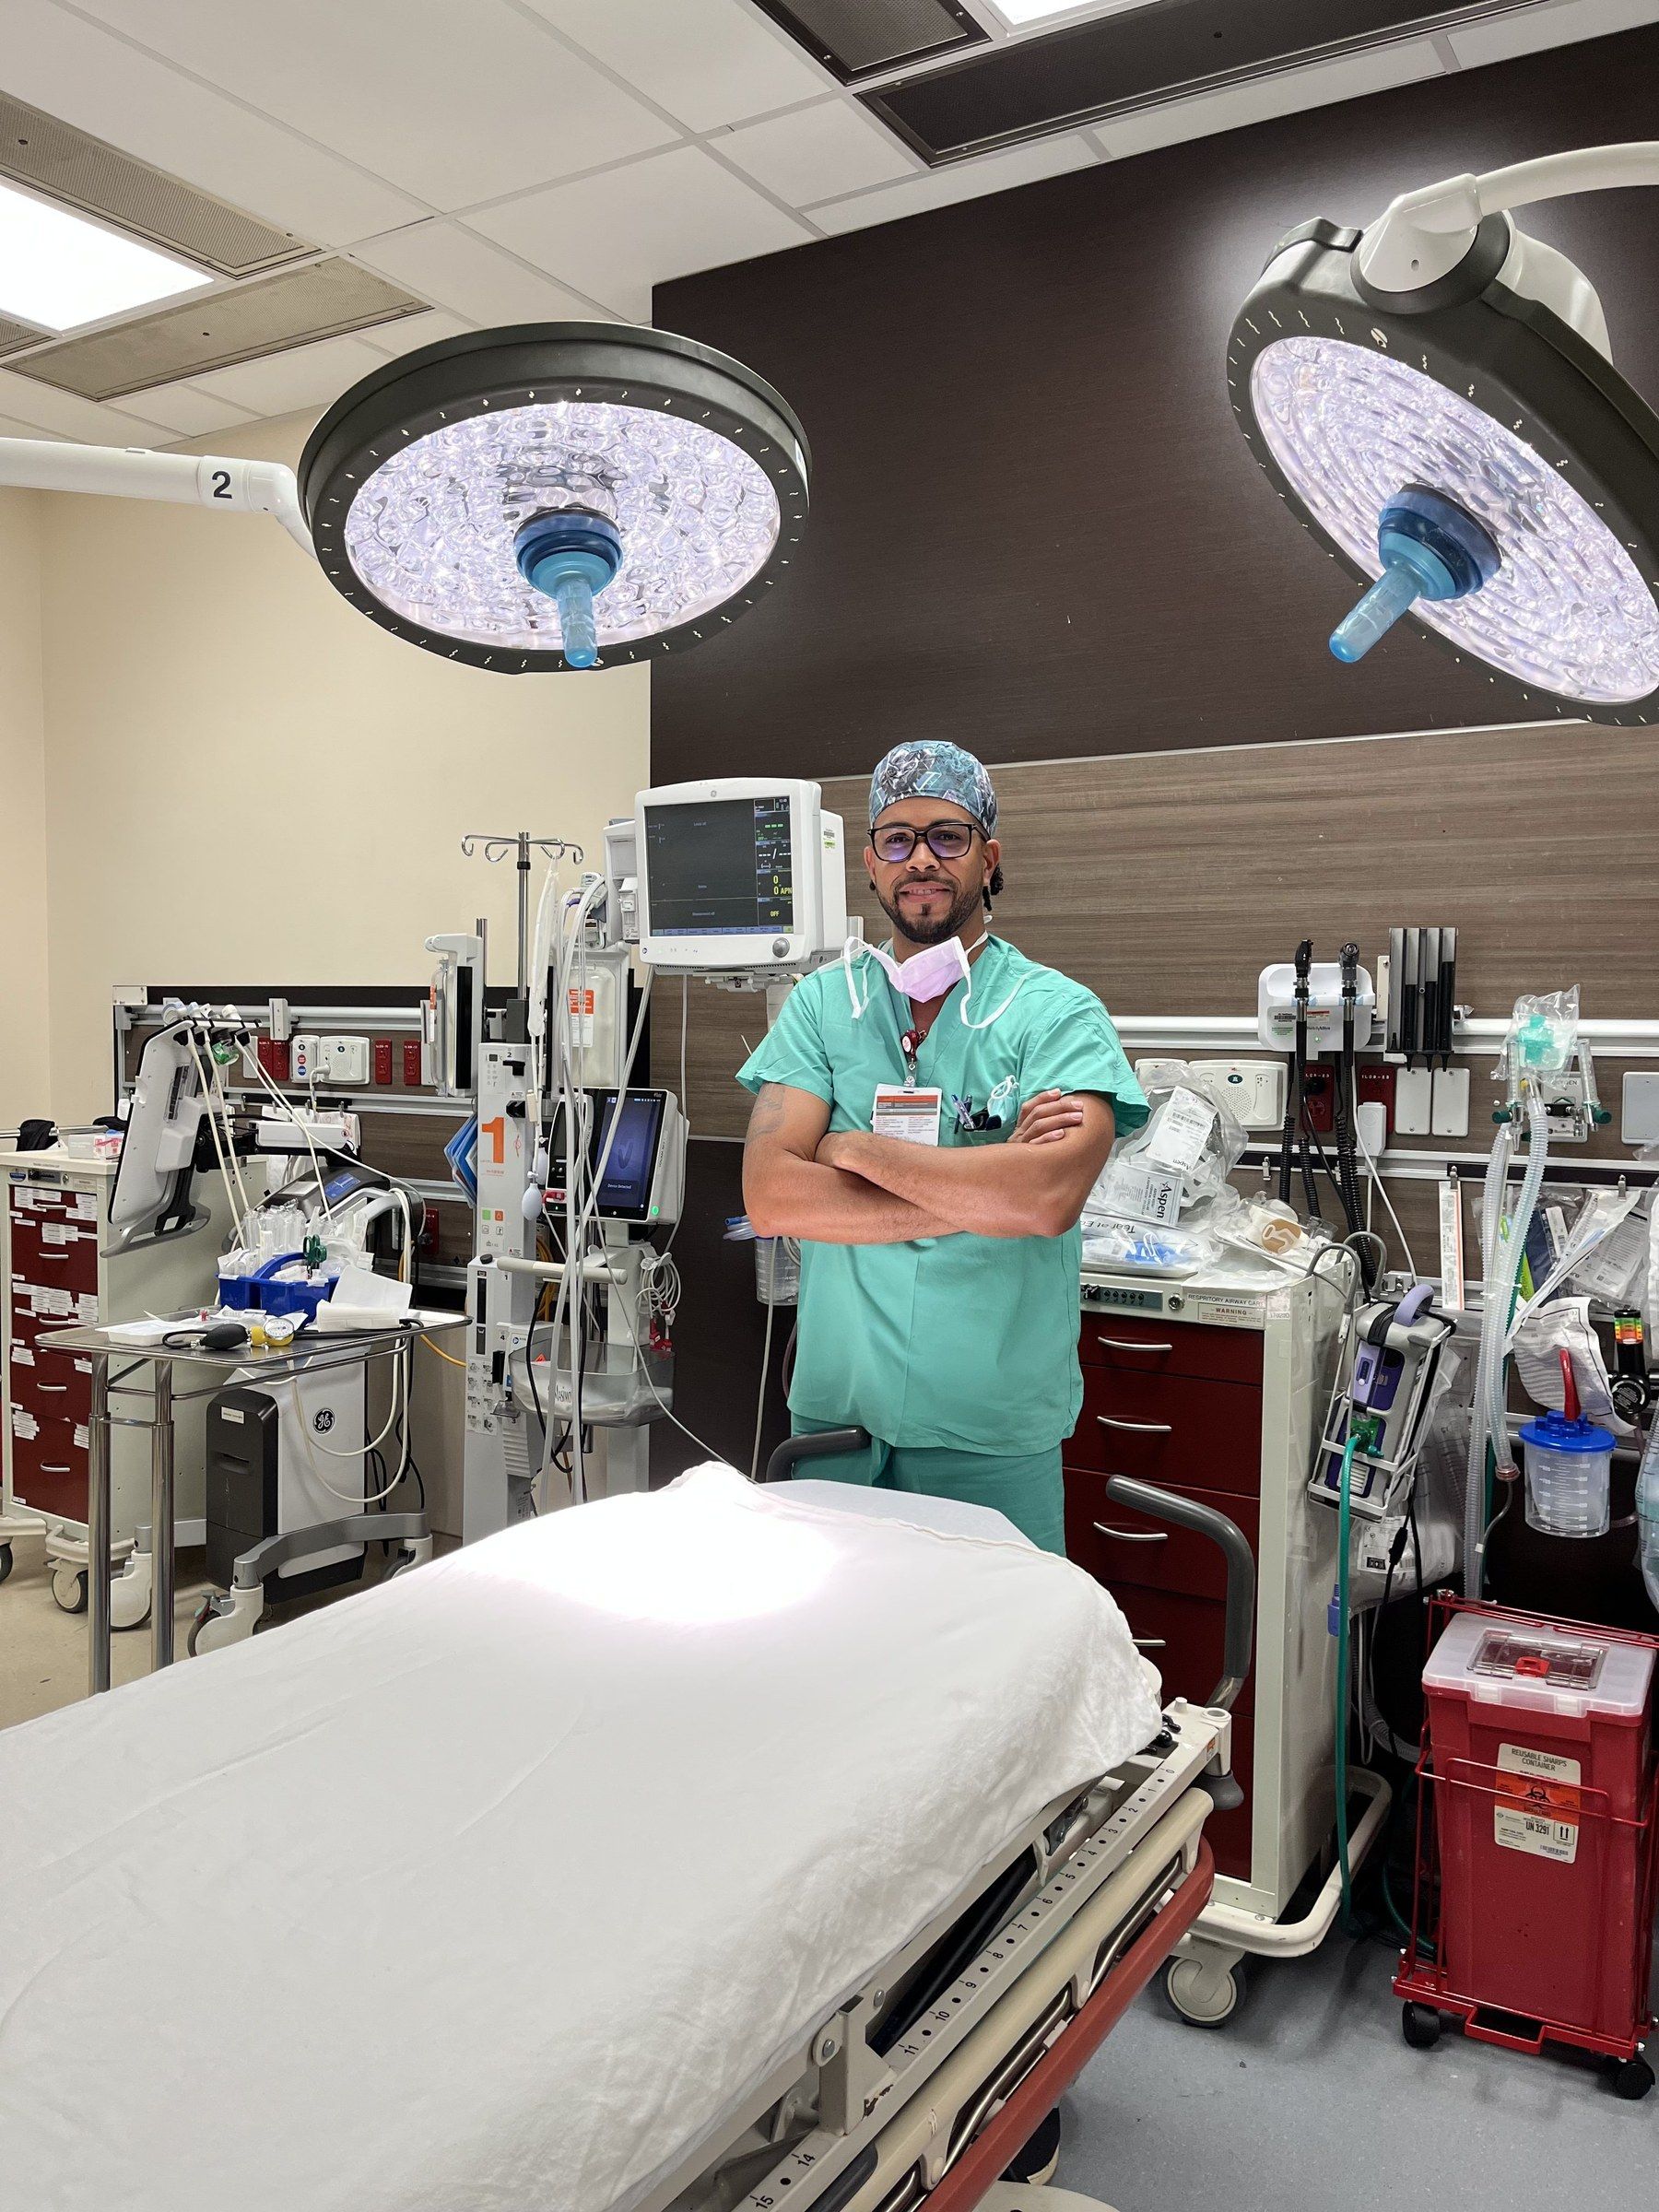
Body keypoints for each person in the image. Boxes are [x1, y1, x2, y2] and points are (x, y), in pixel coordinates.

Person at [738, 740, 1148, 1552]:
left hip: (989, 1432)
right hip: (836, 1420)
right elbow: (771, 1198)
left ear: (988, 859)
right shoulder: (823, 1005)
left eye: (947, 837)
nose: (920, 859)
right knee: (838, 1628)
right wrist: (987, 1187)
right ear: (871, 864)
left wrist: (855, 1150)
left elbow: (1046, 1199)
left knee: (998, 1633)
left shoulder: (1057, 1013)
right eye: (897, 840)